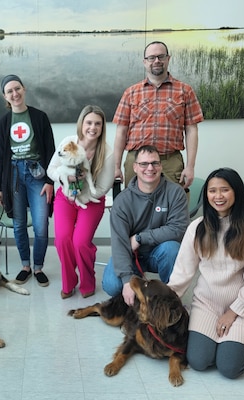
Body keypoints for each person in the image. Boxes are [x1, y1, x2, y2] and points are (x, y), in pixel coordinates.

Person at [168, 168, 244, 379]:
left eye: (224, 190)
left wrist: (234, 312)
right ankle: (227, 340)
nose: (218, 196)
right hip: (207, 304)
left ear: (237, 192)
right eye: (212, 191)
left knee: (229, 368)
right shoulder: (197, 227)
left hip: (242, 306)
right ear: (206, 194)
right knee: (198, 361)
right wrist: (164, 303)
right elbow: (182, 272)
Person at [102, 145, 189, 305]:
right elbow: (120, 243)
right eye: (144, 164)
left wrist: (140, 237)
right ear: (135, 167)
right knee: (112, 285)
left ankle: (169, 299)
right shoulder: (122, 201)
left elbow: (178, 230)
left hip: (160, 252)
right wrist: (127, 280)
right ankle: (135, 281)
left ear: (161, 166)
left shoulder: (176, 193)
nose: (150, 168)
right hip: (131, 253)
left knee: (172, 249)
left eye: (155, 163)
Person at [112, 41, 204, 190]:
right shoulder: (131, 93)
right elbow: (121, 132)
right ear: (144, 62)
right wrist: (116, 166)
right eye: (151, 57)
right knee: (135, 209)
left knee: (175, 208)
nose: (156, 61)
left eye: (161, 56)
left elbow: (192, 130)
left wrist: (190, 166)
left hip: (170, 162)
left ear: (168, 59)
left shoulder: (185, 91)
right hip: (136, 161)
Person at [47, 105, 115, 299]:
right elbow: (51, 169)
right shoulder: (68, 142)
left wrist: (81, 197)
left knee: (80, 242)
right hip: (65, 197)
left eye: (97, 124)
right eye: (89, 122)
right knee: (62, 240)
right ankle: (68, 283)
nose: (92, 127)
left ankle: (87, 282)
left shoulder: (107, 153)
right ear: (81, 124)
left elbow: (103, 187)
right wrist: (63, 179)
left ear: (102, 127)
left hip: (92, 200)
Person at [0, 74, 56, 287]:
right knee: (19, 224)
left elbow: (51, 151)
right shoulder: (4, 123)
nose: (15, 93)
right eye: (10, 91)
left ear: (24, 88)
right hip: (13, 176)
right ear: (5, 96)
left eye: (17, 88)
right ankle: (25, 266)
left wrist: (50, 180)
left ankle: (38, 266)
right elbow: (0, 155)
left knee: (41, 226)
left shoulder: (39, 117)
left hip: (37, 174)